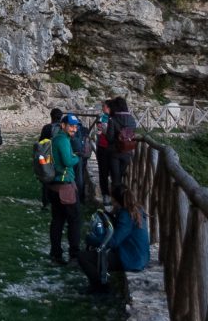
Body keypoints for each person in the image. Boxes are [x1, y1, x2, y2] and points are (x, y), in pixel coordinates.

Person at [78, 185, 150, 293]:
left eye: (112, 199)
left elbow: (113, 242)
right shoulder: (136, 210)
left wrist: (91, 240)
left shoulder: (126, 215)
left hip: (131, 259)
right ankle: (100, 283)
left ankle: (100, 287)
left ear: (116, 201)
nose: (111, 201)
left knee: (83, 257)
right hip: (139, 256)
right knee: (96, 252)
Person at [47, 116, 80, 264]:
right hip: (65, 186)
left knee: (57, 220)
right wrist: (77, 157)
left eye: (76, 126)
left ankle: (56, 253)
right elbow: (67, 161)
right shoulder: (63, 140)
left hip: (54, 186)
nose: (74, 129)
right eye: (71, 126)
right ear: (63, 125)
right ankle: (74, 254)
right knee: (74, 221)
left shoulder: (56, 139)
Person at [105, 97, 136, 192]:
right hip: (127, 152)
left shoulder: (112, 119)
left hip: (114, 152)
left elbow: (109, 138)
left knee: (115, 180)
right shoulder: (132, 119)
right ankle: (122, 195)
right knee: (121, 176)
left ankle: (117, 197)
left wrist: (105, 132)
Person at [39, 108, 64, 210]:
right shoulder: (63, 128)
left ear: (51, 116)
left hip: (48, 156)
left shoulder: (47, 128)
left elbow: (41, 142)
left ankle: (46, 202)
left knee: (47, 177)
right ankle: (59, 201)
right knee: (59, 178)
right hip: (60, 157)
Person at [95, 101, 113, 206]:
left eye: (104, 106)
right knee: (103, 173)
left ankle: (111, 195)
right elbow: (99, 128)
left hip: (111, 148)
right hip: (102, 146)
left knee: (110, 172)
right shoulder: (102, 117)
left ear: (109, 107)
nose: (102, 108)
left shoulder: (114, 118)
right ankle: (106, 195)